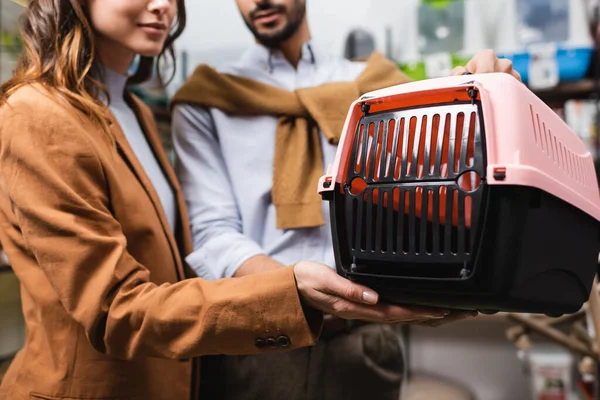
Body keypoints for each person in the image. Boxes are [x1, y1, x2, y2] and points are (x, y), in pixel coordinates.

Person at [0, 1, 457, 399]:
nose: (163, 6)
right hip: (136, 373)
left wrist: (472, 88)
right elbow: (119, 304)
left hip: (335, 340)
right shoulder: (41, 113)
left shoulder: (130, 110)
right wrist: (290, 290)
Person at [170, 1, 521, 399]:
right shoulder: (207, 98)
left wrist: (484, 91)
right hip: (259, 344)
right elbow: (212, 232)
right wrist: (293, 291)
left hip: (367, 342)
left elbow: (442, 176)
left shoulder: (379, 86)